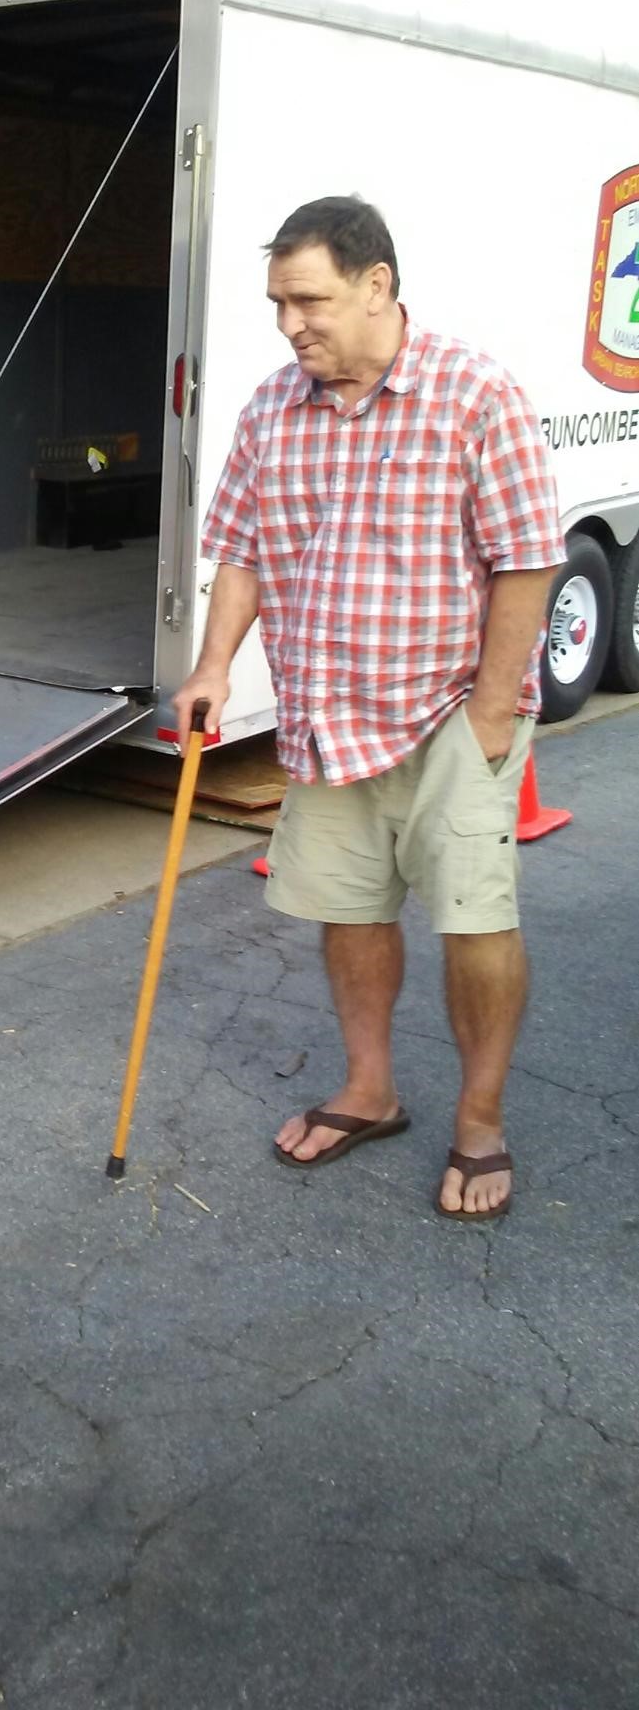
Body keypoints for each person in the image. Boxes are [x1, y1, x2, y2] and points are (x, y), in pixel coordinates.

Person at [174, 196, 564, 1221]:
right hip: (325, 712)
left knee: (476, 919)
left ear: (377, 285)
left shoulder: (474, 393)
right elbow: (246, 554)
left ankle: (479, 1120)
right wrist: (215, 663)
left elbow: (528, 560)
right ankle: (370, 1087)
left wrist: (488, 715)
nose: (290, 323)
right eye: (278, 304)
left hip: (448, 715)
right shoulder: (271, 409)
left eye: (309, 300)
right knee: (349, 911)